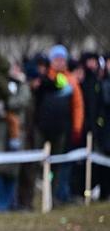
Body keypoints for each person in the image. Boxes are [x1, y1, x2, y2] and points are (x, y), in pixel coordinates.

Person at [33, 44, 84, 204]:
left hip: (60, 129)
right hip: (41, 127)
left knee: (55, 166)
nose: (59, 62)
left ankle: (51, 195)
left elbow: (77, 106)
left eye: (62, 59)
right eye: (56, 59)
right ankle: (34, 194)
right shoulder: (44, 78)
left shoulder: (70, 81)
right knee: (36, 162)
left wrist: (76, 127)